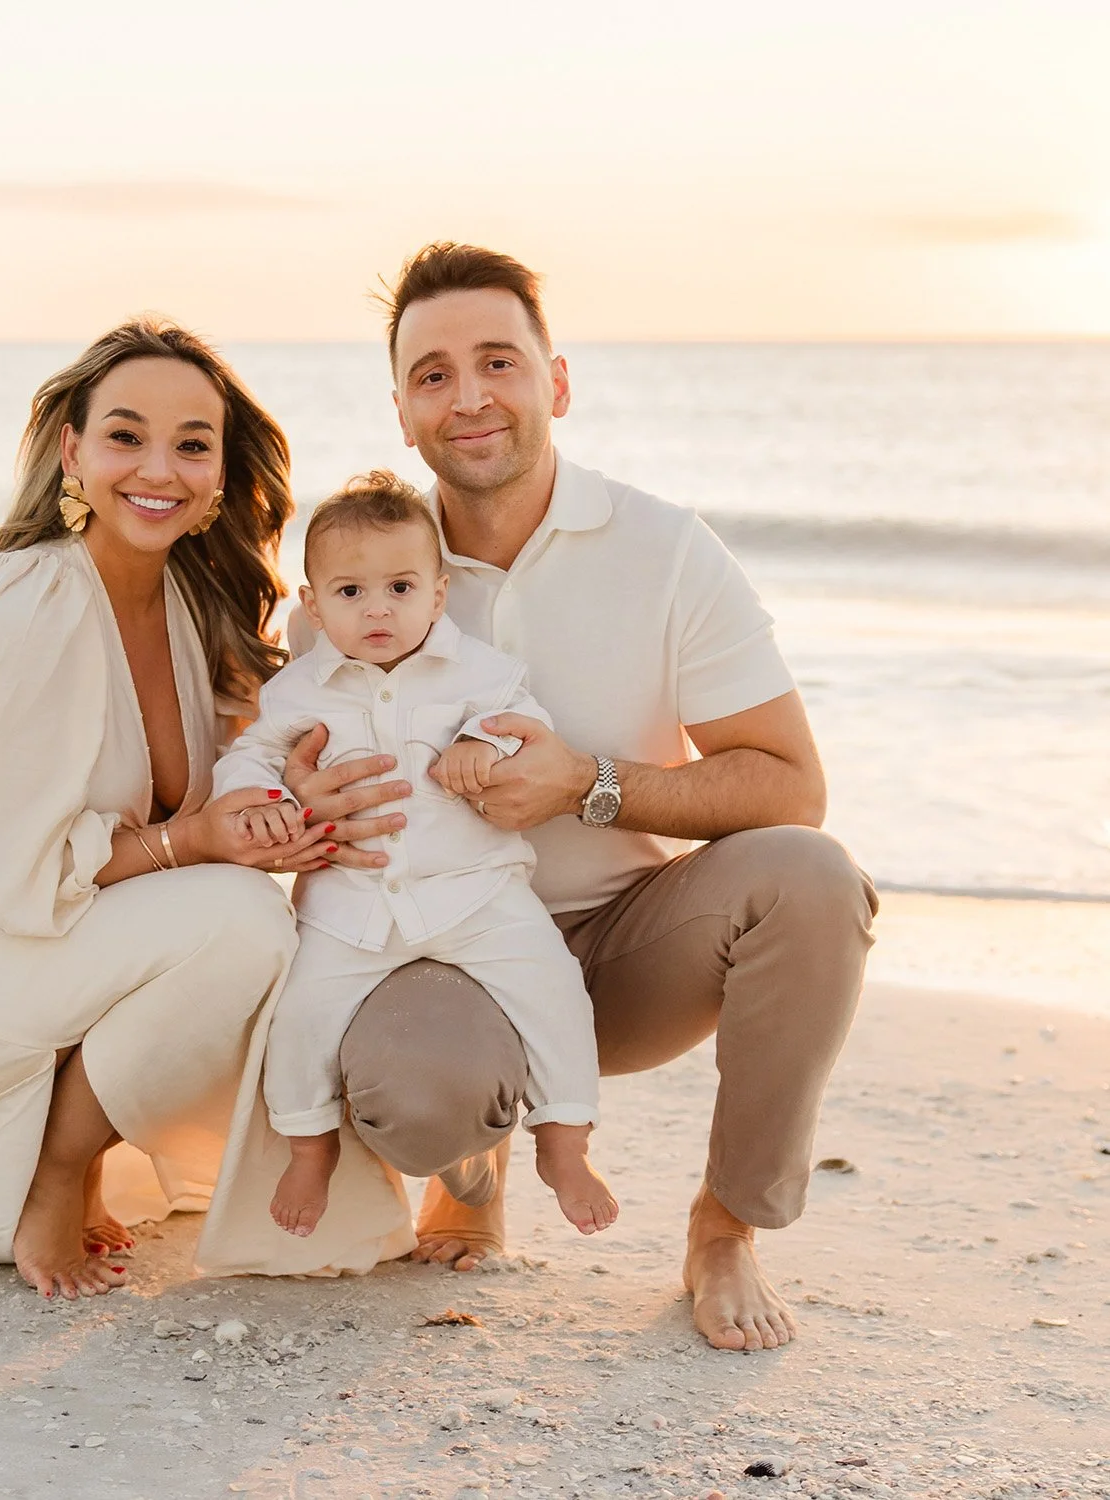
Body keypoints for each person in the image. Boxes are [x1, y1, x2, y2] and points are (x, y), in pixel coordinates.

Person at [279, 244, 879, 1353]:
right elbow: (274, 786)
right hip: (429, 948)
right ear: (402, 413)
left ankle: (725, 1229)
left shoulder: (666, 551)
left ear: (556, 382)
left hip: (626, 948)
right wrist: (306, 803)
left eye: (498, 362)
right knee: (417, 1100)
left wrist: (586, 786)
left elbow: (792, 785)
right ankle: (468, 1173)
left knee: (812, 877)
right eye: (433, 375)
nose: (469, 397)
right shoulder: (357, 573)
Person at [0, 318, 334, 1301]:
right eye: (126, 436)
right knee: (244, 920)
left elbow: (241, 791)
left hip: (71, 973)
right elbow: (21, 881)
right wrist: (193, 840)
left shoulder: (195, 607)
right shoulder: (25, 600)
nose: (159, 468)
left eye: (192, 444)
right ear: (72, 449)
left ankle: (88, 1144)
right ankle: (56, 1171)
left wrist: (298, 795)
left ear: (219, 473)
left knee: (309, 935)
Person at [210, 472, 616, 1245]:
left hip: (478, 895)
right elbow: (254, 754)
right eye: (351, 592)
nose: (378, 609)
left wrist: (483, 743)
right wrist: (258, 796)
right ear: (314, 605)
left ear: (437, 595)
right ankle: (309, 1150)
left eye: (400, 587)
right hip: (350, 908)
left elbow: (524, 724)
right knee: (298, 1018)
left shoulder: (482, 674)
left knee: (554, 988)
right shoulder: (299, 691)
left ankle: (565, 1142)